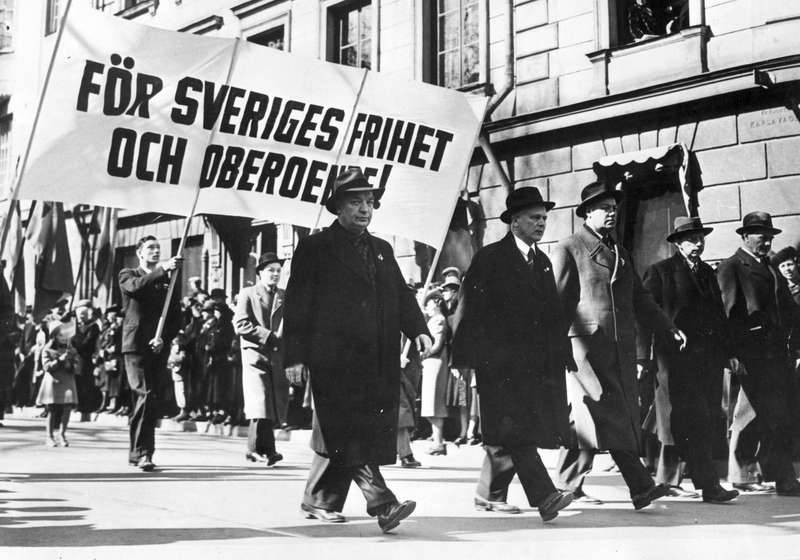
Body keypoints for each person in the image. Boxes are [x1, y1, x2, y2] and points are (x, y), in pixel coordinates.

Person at [283, 167, 432, 533]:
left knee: (343, 429)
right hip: (333, 358)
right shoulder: (315, 247)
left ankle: (318, 499)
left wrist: (418, 329)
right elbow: (297, 305)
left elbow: (401, 295)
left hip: (376, 358)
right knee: (350, 430)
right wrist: (295, 356)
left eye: (369, 202)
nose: (365, 209)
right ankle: (382, 502)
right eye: (355, 202)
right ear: (338, 207)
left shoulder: (382, 249)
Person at [550, 181, 686, 510]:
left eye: (614, 208)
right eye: (605, 209)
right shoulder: (569, 248)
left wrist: (668, 326)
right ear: (587, 213)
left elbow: (641, 298)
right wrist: (552, 348)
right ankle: (638, 486)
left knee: (599, 415)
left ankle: (572, 484)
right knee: (602, 412)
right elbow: (556, 302)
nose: (612, 213)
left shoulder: (620, 252)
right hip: (584, 347)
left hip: (618, 348)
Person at [452, 187, 576, 522]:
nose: (541, 223)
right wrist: (461, 359)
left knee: (507, 429)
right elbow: (468, 309)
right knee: (517, 430)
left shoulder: (543, 262)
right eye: (534, 218)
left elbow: (553, 315)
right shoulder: (490, 258)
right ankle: (545, 496)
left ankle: (489, 494)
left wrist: (562, 353)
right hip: (497, 364)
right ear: (514, 221)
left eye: (544, 218)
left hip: (533, 365)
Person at [638, 216, 740, 503]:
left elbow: (719, 316)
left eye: (701, 239)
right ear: (678, 244)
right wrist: (642, 357)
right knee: (673, 419)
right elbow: (645, 316)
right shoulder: (660, 272)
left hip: (707, 360)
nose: (698, 244)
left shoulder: (708, 272)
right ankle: (670, 479)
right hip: (674, 360)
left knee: (702, 419)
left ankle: (705, 485)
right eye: (692, 240)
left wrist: (729, 352)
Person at [717, 211, 800, 496]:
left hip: (775, 352)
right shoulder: (732, 267)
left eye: (769, 237)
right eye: (761, 237)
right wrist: (732, 353)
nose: (766, 242)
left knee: (768, 413)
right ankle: (763, 475)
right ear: (744, 237)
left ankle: (762, 474)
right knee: (754, 414)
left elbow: (787, 308)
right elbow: (727, 314)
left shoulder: (770, 267)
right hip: (750, 353)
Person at [119, 235, 183, 471]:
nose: (156, 251)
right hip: (135, 345)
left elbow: (175, 315)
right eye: (150, 248)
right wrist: (163, 269)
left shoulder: (168, 280)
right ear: (140, 253)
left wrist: (164, 338)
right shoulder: (128, 274)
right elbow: (136, 288)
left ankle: (142, 452)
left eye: (158, 248)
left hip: (156, 345)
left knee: (150, 399)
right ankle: (141, 453)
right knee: (144, 394)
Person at [234, 252, 290, 467]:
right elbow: (240, 324)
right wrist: (267, 335)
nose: (275, 274)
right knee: (260, 401)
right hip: (254, 354)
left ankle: (268, 450)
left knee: (271, 402)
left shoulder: (284, 295)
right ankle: (254, 449)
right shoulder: (248, 293)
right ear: (260, 273)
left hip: (276, 355)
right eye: (270, 270)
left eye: (278, 271)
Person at [36, 319, 79, 447]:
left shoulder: (72, 350)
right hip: (53, 382)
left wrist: (71, 364)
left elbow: (78, 366)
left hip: (67, 381)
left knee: (67, 408)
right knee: (52, 409)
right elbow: (46, 367)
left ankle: (62, 434)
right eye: (61, 335)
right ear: (54, 336)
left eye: (66, 335)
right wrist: (59, 360)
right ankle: (49, 436)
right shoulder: (47, 350)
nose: (64, 338)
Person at [420, 288, 450, 456]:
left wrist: (423, 353)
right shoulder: (433, 320)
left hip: (435, 361)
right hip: (430, 362)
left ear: (437, 303)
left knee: (434, 404)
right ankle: (437, 440)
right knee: (429, 404)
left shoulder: (439, 320)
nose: (427, 306)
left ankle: (438, 442)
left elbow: (437, 344)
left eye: (429, 303)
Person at [72, 299, 100, 420]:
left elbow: (86, 343)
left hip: (86, 359)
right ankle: (77, 406)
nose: (81, 317)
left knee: (85, 385)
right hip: (75, 359)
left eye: (83, 314)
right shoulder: (74, 326)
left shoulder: (93, 327)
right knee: (76, 383)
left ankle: (85, 410)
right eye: (79, 314)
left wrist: (74, 345)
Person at [93, 305, 123, 414]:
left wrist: (110, 350)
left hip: (114, 357)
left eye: (112, 314)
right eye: (108, 315)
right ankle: (104, 403)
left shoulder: (118, 328)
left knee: (114, 383)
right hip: (104, 358)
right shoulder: (106, 329)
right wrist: (97, 354)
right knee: (103, 382)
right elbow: (100, 342)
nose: (110, 317)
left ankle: (114, 404)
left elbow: (117, 342)